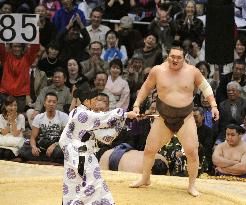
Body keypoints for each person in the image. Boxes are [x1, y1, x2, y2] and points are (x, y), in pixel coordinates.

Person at [130, 46, 219, 196]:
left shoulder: (192, 72)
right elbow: (145, 87)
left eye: (179, 57)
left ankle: (191, 186)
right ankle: (145, 178)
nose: (175, 60)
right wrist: (136, 105)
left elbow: (206, 88)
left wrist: (214, 106)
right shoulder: (157, 71)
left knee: (192, 151)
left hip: (185, 117)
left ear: (184, 58)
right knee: (149, 149)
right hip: (163, 116)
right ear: (168, 56)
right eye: (172, 56)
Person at [59, 82, 137, 205]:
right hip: (80, 152)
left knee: (77, 181)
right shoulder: (83, 114)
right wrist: (126, 114)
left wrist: (126, 116)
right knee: (91, 182)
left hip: (76, 152)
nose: (96, 102)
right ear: (87, 101)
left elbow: (99, 117)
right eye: (94, 100)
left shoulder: (76, 111)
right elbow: (103, 119)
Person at [20, 92, 68, 164]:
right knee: (23, 151)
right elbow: (33, 138)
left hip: (56, 145)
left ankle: (42, 159)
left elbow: (66, 137)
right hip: (42, 145)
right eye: (49, 101)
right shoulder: (39, 117)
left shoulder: (63, 116)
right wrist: (34, 147)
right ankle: (52, 160)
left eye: (54, 102)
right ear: (44, 103)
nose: (51, 104)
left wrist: (54, 145)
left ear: (56, 104)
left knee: (60, 151)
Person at [99, 147, 169, 175]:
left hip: (129, 153)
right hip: (110, 158)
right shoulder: (134, 171)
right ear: (150, 172)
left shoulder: (162, 158)